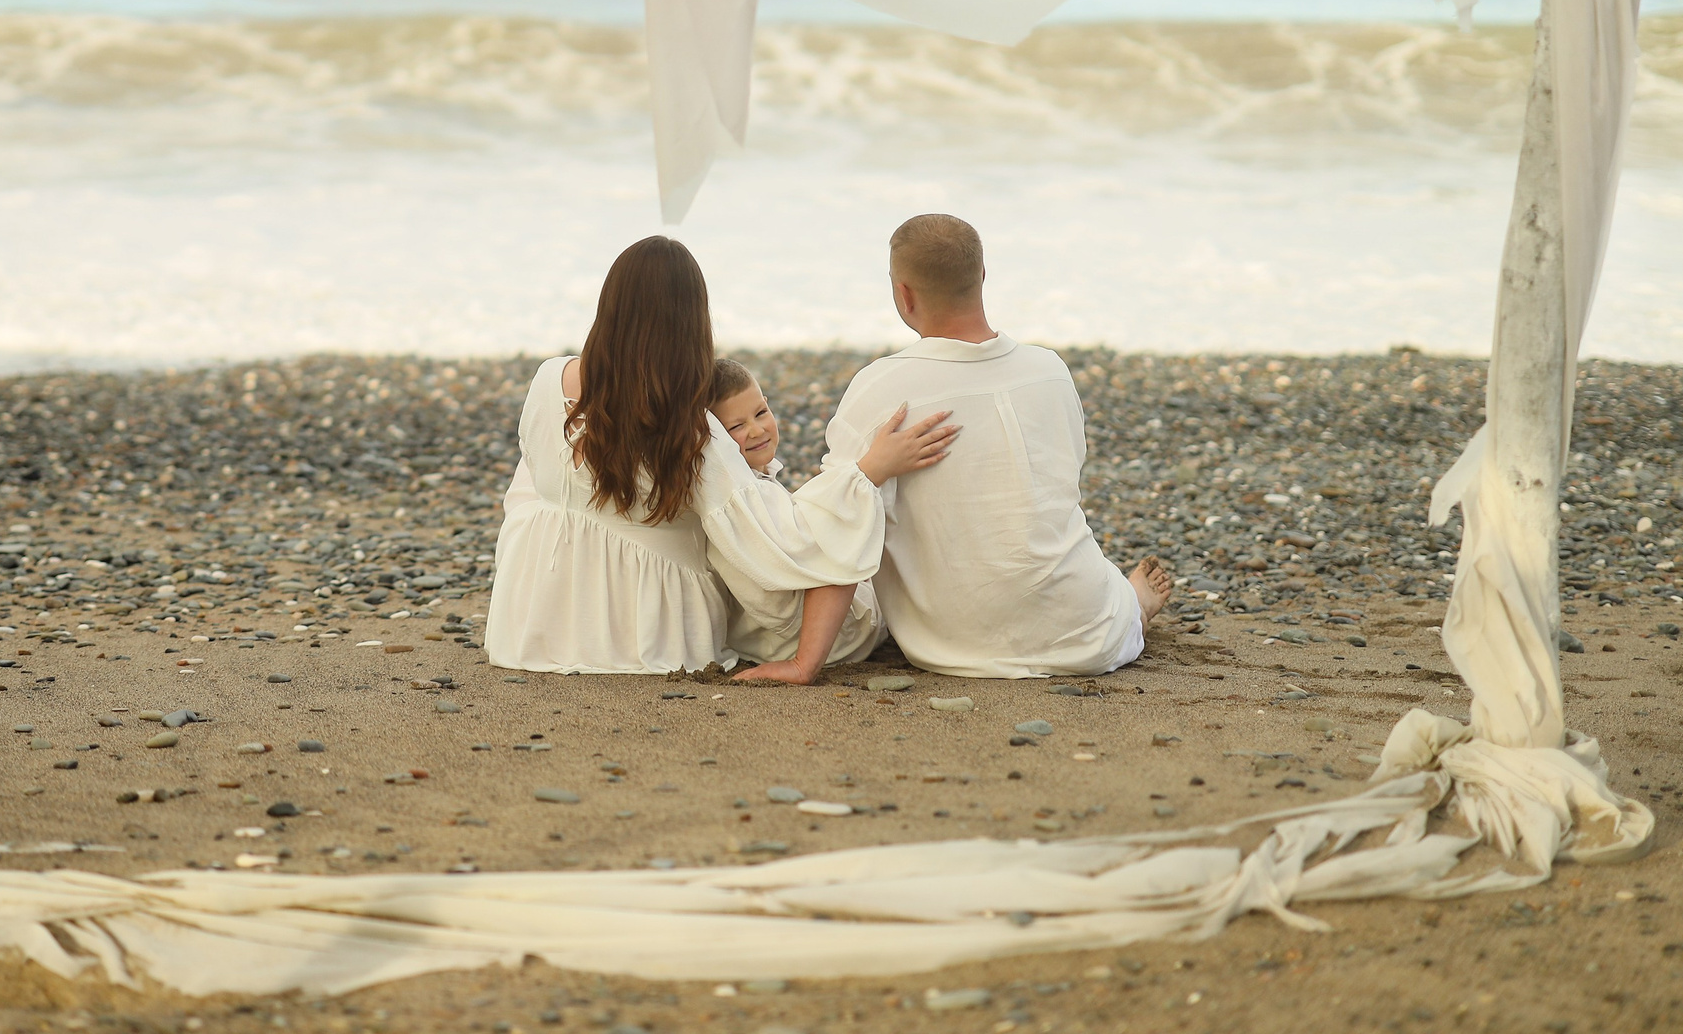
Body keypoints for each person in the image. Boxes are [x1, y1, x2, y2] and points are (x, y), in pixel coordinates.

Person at [484, 236, 957, 676]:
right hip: (644, 636)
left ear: (609, 307)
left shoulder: (548, 380)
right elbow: (781, 546)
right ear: (691, 322)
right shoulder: (690, 428)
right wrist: (868, 472)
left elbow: (534, 486)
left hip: (528, 620)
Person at [811, 214, 1173, 678]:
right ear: (982, 275)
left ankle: (1131, 604)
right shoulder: (1050, 371)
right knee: (1099, 586)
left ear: (904, 293)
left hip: (953, 643)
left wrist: (807, 661)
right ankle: (1131, 606)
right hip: (1087, 633)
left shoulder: (880, 389)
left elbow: (838, 515)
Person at [708, 358, 891, 683]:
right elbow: (828, 544)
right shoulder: (745, 498)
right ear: (717, 443)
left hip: (766, 639)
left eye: (761, 412)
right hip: (837, 641)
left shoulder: (747, 486)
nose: (757, 430)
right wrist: (871, 470)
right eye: (736, 427)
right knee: (855, 509)